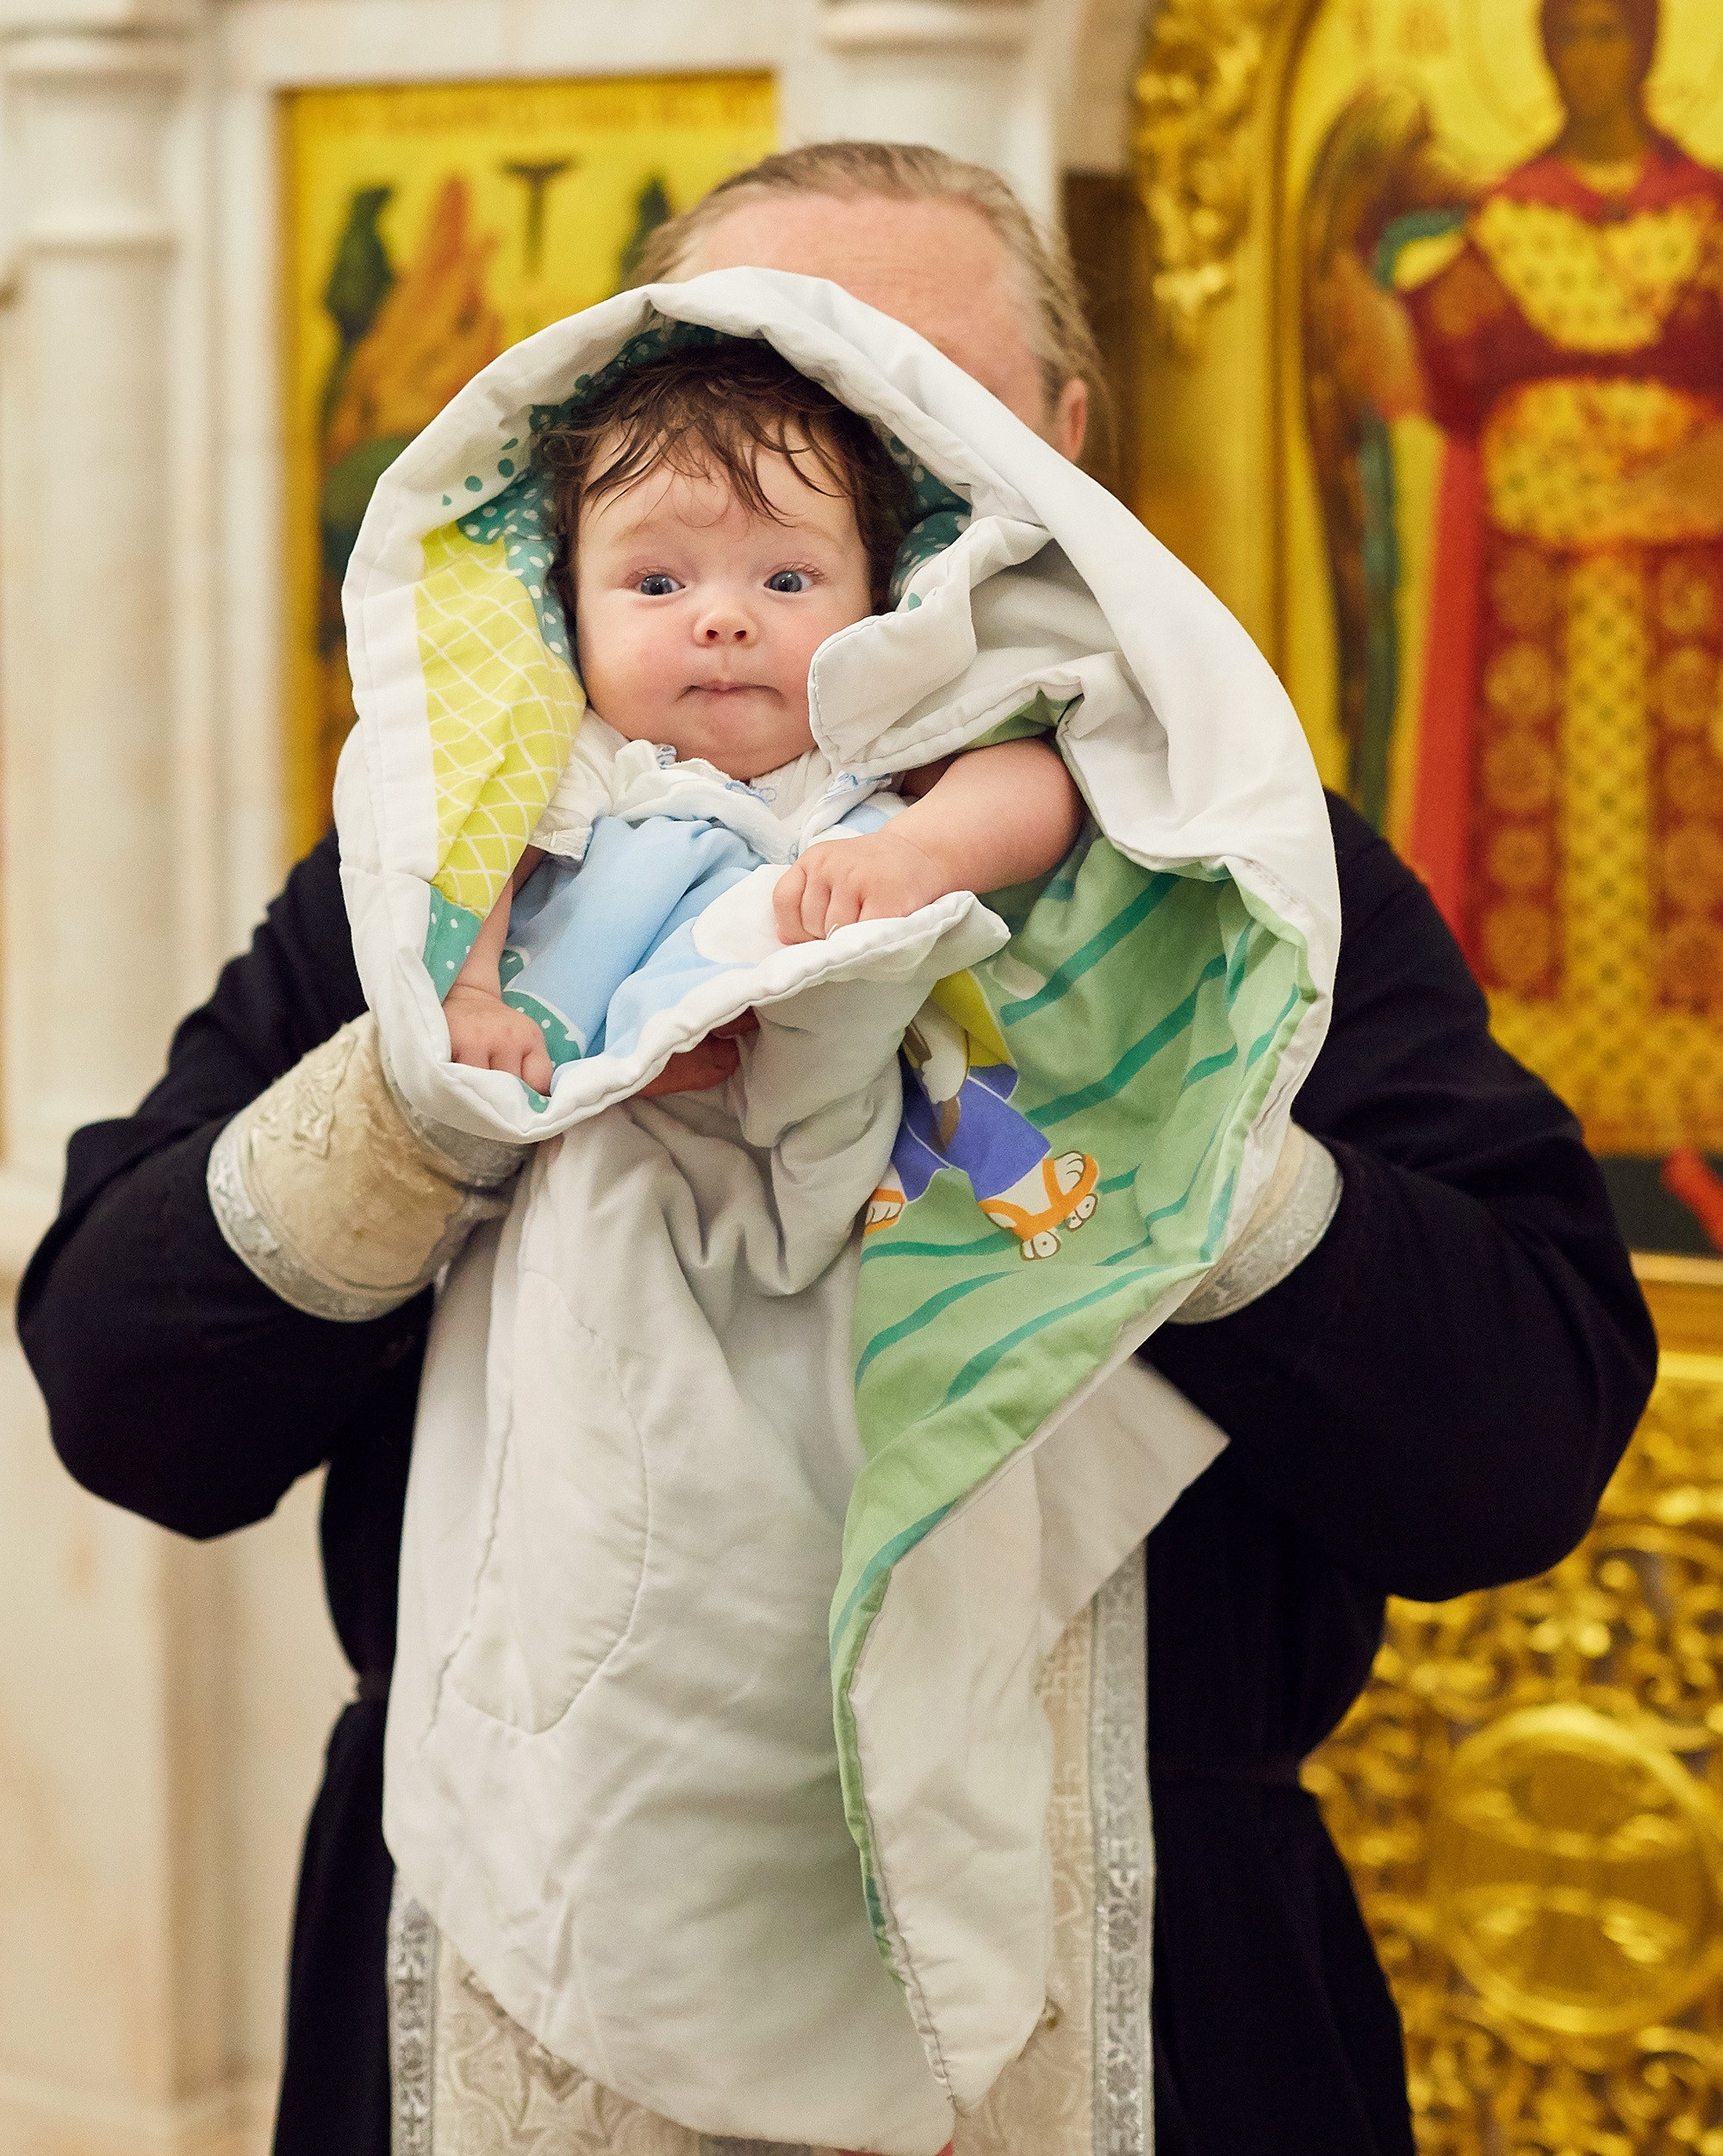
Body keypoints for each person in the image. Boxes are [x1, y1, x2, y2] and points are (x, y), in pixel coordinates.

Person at [17, 140, 1656, 2156]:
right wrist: (437, 1102)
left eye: (913, 415)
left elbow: (1506, 1450)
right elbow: (124, 1399)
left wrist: (1137, 1123)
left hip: (1121, 1994)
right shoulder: (449, 877)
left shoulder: (1239, 888)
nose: (781, 526)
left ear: (1055, 448)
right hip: (509, 1972)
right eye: (753, 394)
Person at [1321, 0, 1723, 1180]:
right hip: (1532, 600)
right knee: (1535, 842)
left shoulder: (1707, 214)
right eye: (1571, 30)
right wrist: (1338, 252)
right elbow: (1427, 369)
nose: (1592, 53)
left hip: (1689, 594)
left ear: (1652, 44)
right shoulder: (1509, 220)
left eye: (1613, 28)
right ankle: (1560, 1096)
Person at [442, 337, 1080, 1089]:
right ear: (570, 606)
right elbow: (473, 851)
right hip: (622, 1115)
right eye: (655, 584)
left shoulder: (865, 735)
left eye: (785, 579)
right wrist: (471, 992)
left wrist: (919, 855)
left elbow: (1037, 785)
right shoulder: (583, 757)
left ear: (874, 605)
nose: (723, 620)